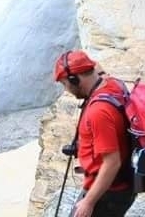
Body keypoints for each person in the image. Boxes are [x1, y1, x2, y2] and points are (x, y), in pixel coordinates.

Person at [54, 50, 135, 217]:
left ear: (74, 79)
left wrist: (89, 202)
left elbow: (112, 162)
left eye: (65, 84)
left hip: (108, 192)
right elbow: (94, 66)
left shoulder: (99, 112)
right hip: (122, 183)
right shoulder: (112, 83)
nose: (67, 89)